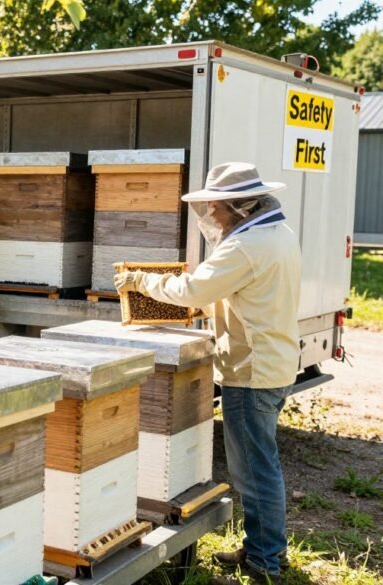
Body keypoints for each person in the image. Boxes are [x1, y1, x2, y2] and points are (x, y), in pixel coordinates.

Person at [115, 162, 300, 585]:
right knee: (260, 465)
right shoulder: (278, 235)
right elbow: (244, 294)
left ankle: (265, 563)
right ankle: (264, 549)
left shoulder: (245, 247)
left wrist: (139, 281)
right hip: (274, 362)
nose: (210, 217)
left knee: (255, 470)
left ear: (237, 207)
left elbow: (192, 291)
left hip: (251, 372)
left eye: (214, 208)